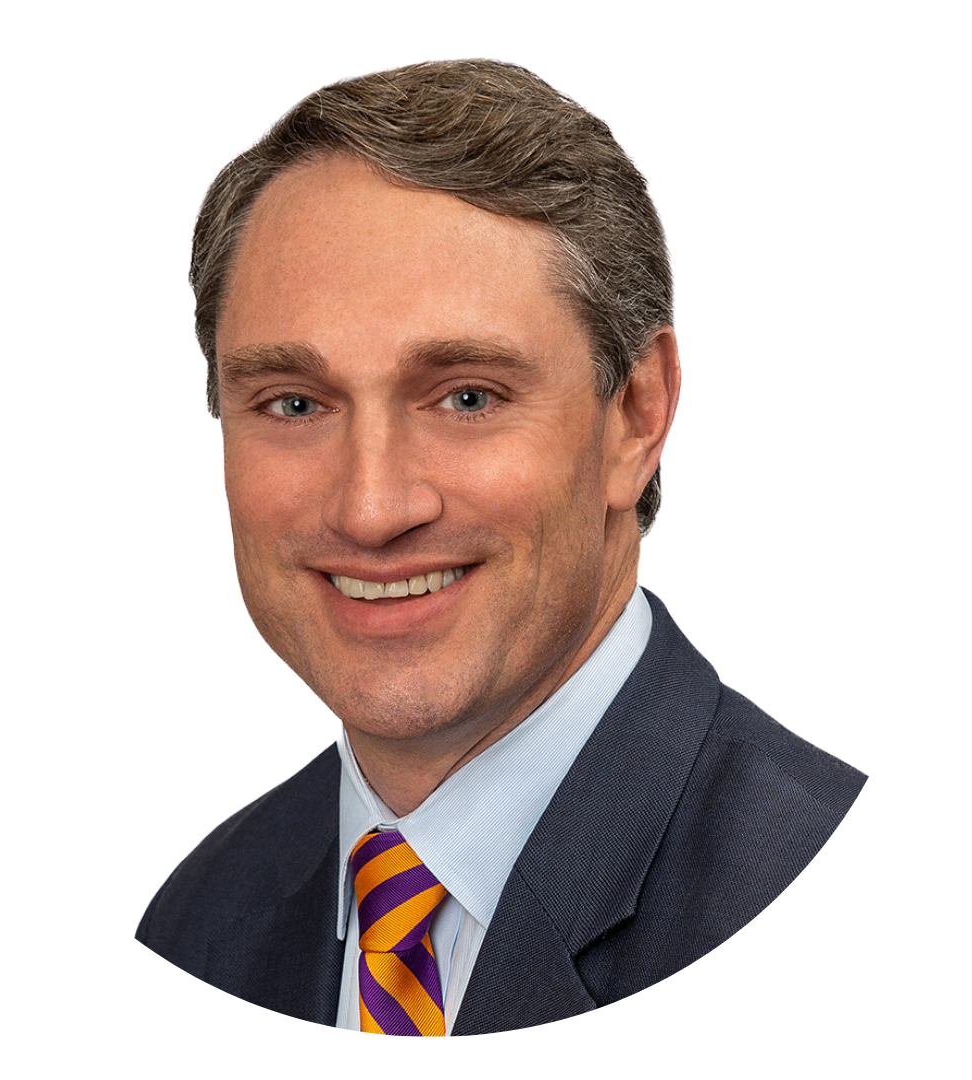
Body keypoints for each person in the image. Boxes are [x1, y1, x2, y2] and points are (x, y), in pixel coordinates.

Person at [135, 59, 866, 1035]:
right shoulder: (202, 919)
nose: (371, 508)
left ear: (636, 417)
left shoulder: (793, 863)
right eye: (294, 404)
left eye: (467, 396)